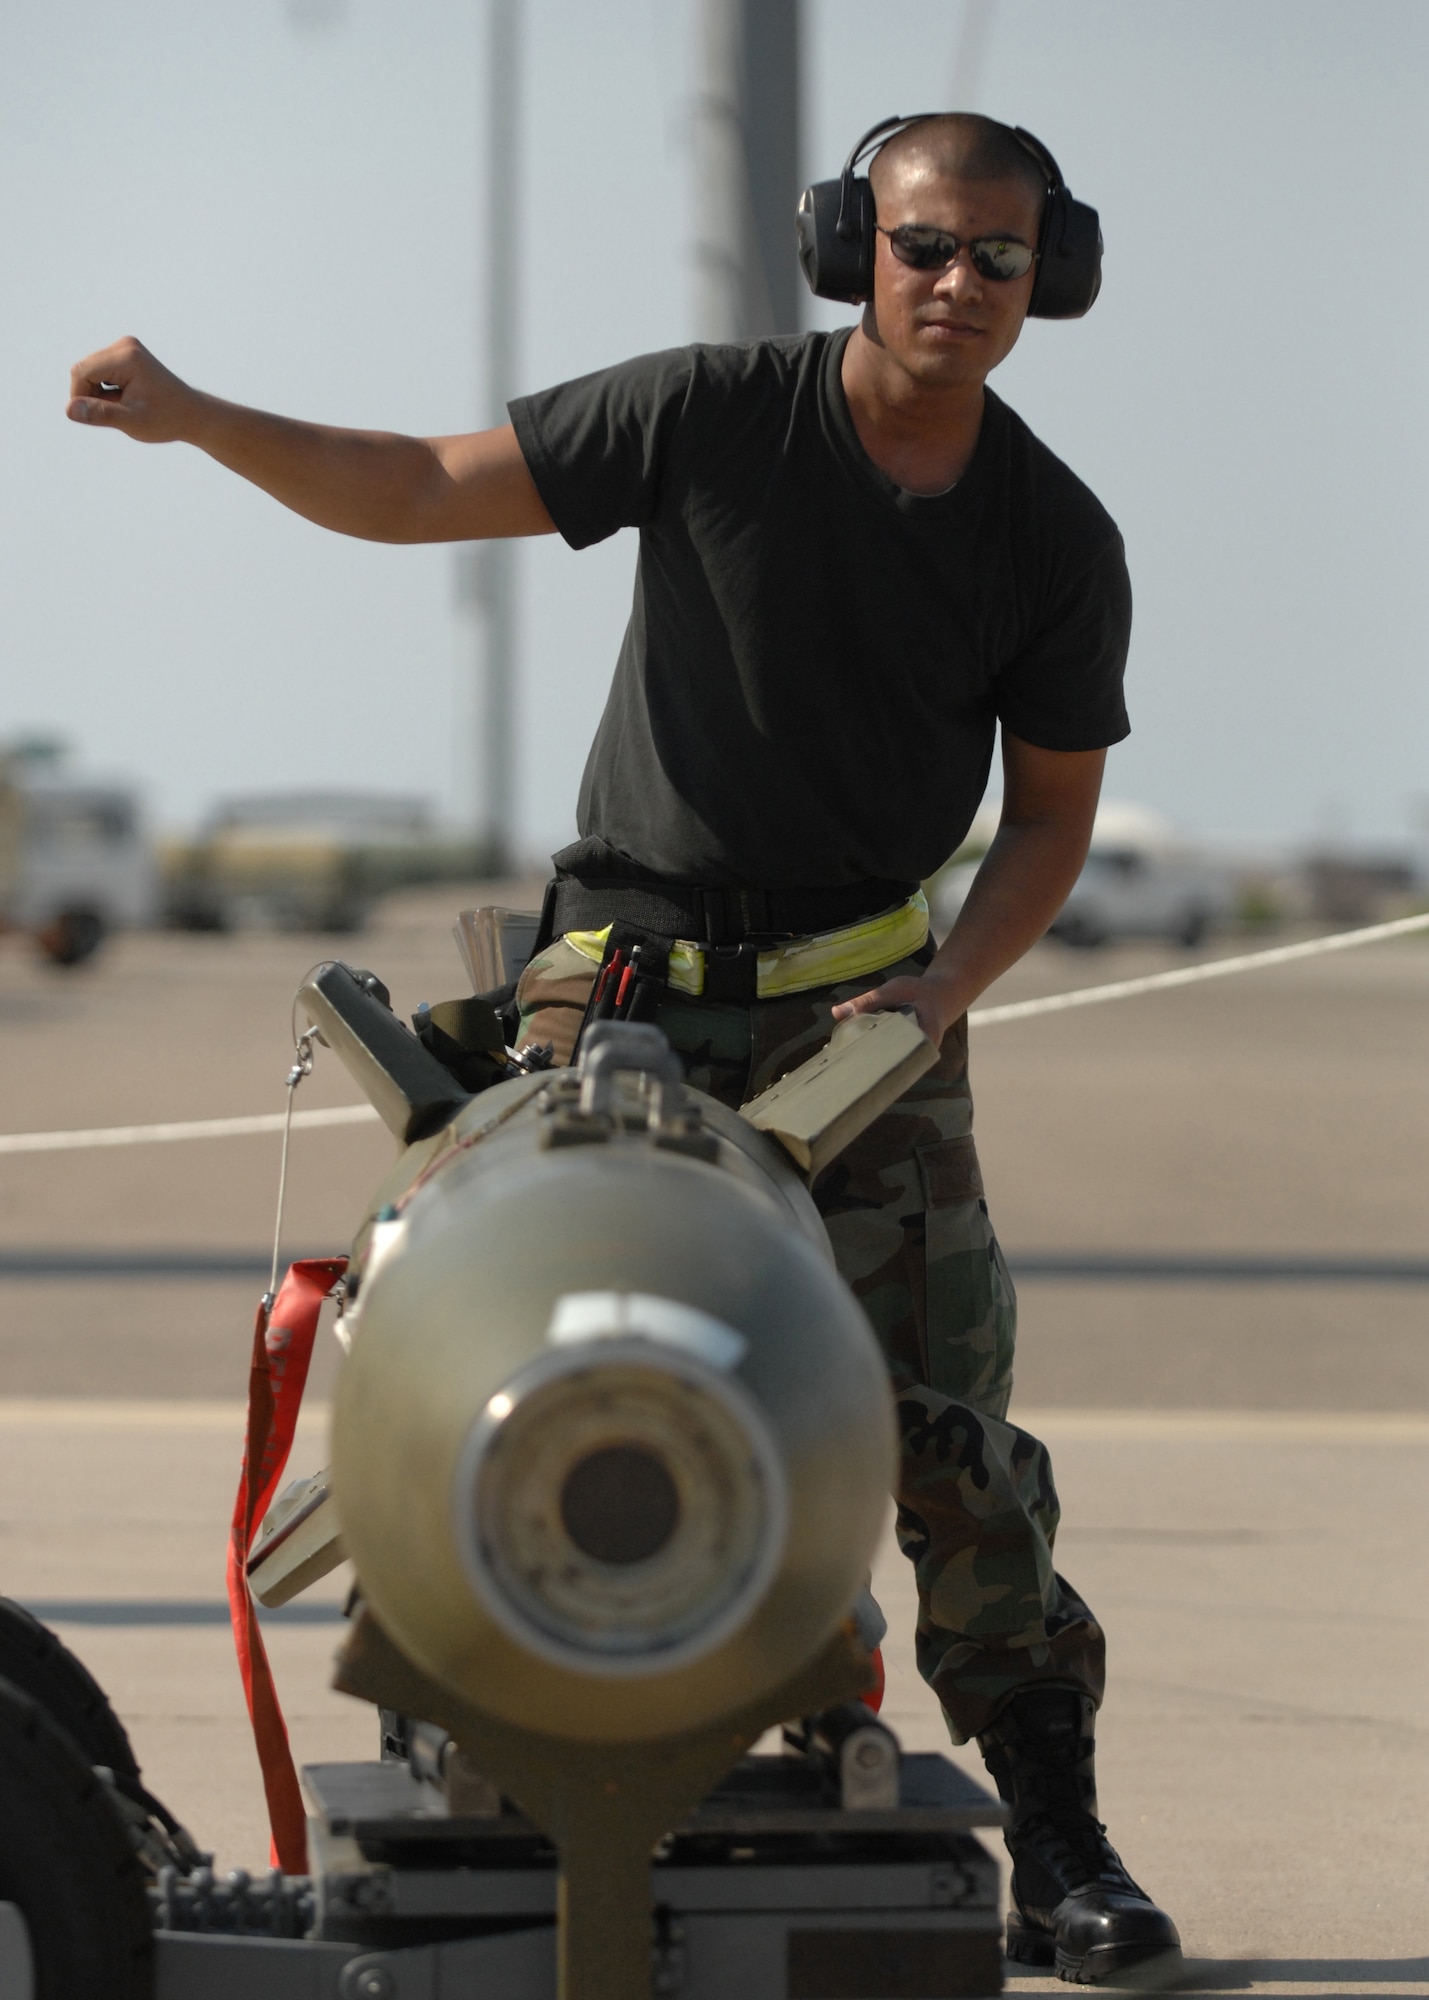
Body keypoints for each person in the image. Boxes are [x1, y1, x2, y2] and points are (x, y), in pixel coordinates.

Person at [68, 111, 1179, 1984]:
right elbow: (421, 482)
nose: (958, 286)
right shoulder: (709, 416)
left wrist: (944, 992)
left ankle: (1056, 1835)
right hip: (618, 998)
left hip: (863, 1032)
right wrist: (198, 413)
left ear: (1048, 276)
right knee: (500, 1348)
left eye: (999, 258)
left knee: (953, 1441)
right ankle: (483, 1750)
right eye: (922, 246)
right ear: (853, 247)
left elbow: (1050, 822)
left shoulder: (1052, 537)